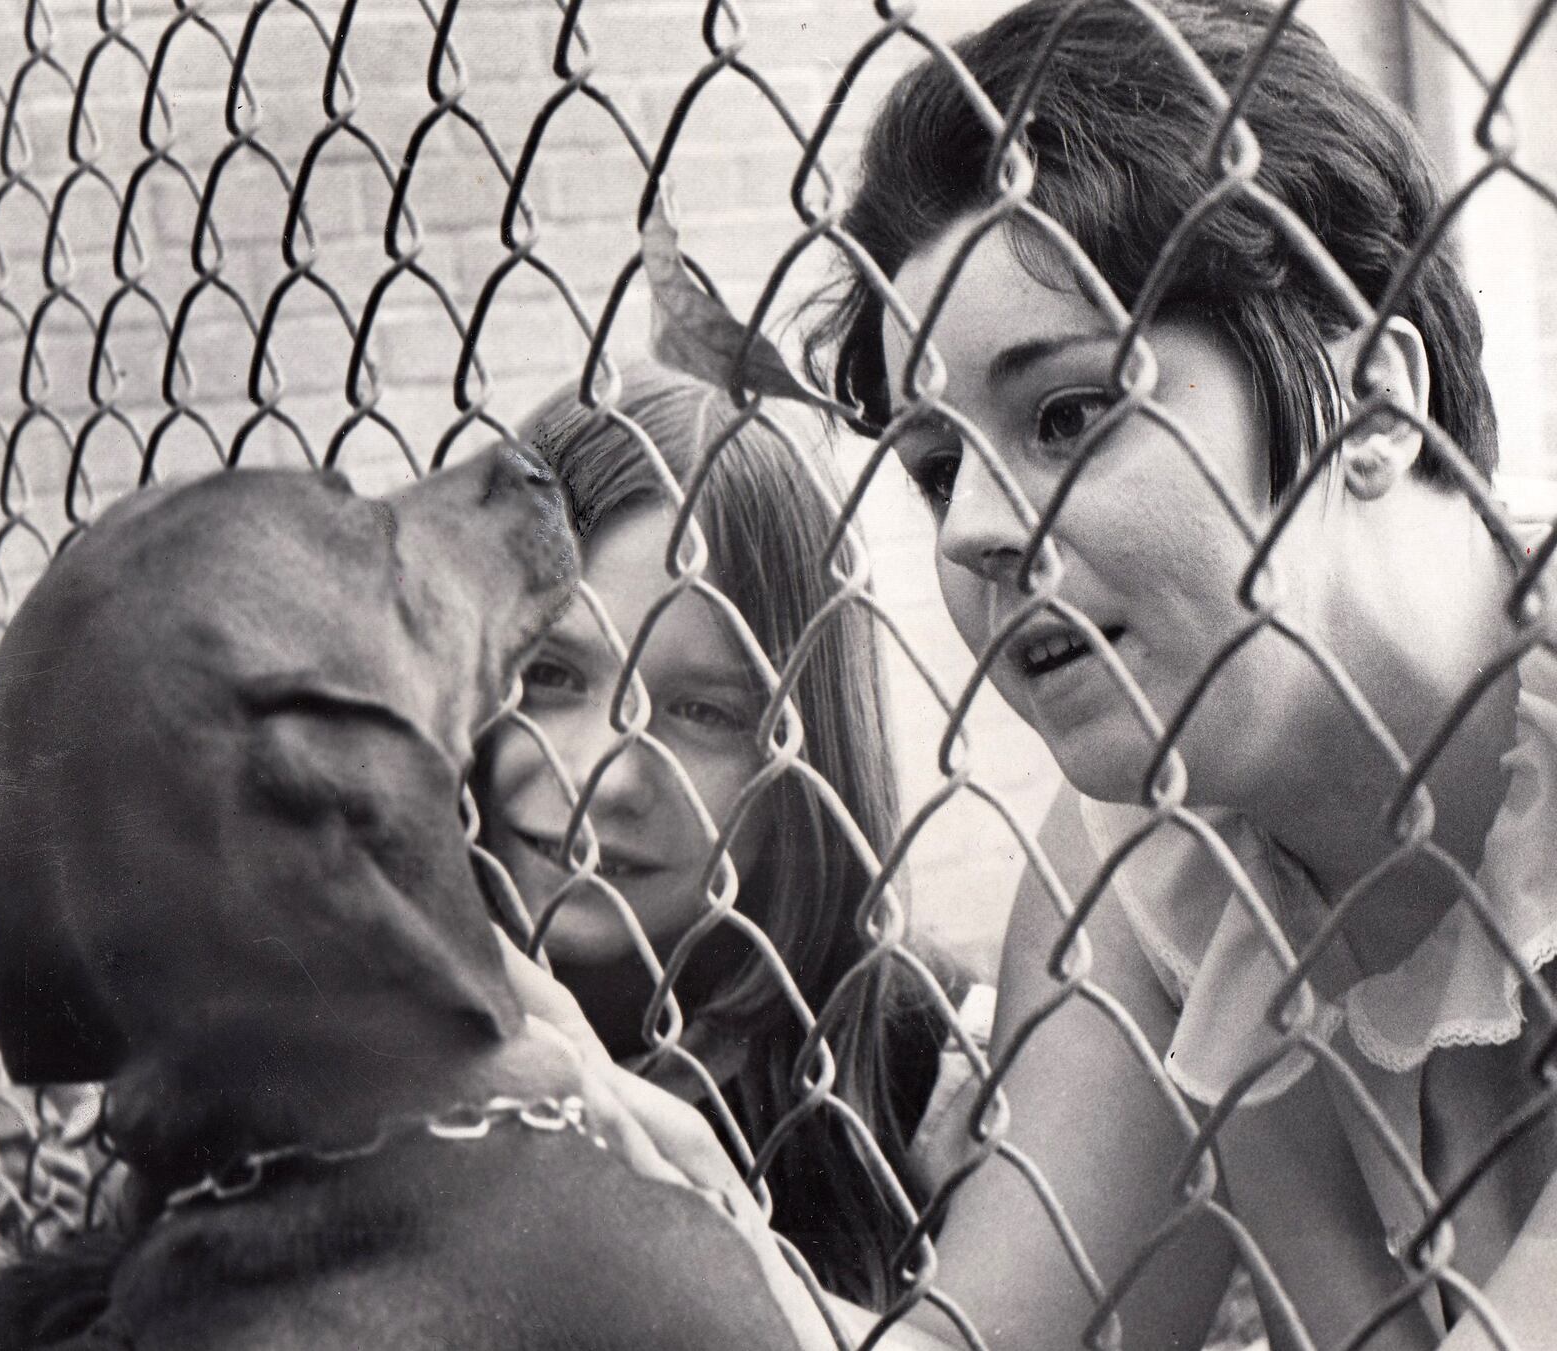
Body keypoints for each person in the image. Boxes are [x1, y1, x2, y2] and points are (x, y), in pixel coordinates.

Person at [795, 1, 1557, 1348]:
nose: (971, 524)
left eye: (1070, 412)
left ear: (1371, 402)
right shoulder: (1140, 868)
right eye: (933, 464)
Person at [472, 361, 978, 1315]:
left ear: (802, 751)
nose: (600, 775)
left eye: (701, 709)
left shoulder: (924, 1070)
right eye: (548, 675)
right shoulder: (325, 1011)